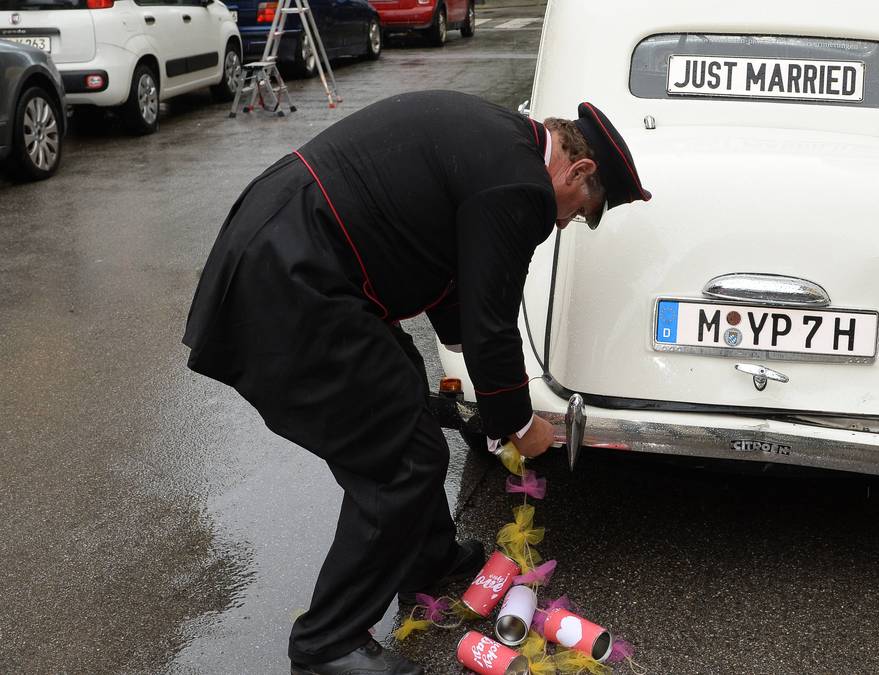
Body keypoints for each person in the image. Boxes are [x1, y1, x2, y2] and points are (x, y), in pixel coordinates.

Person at [182, 90, 651, 675]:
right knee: (402, 457)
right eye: (581, 208)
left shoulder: (503, 143)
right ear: (578, 169)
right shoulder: (522, 186)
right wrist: (519, 424)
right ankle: (328, 644)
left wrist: (462, 345)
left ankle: (427, 560)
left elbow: (456, 265)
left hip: (294, 248)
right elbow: (492, 322)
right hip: (291, 275)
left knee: (403, 387)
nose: (567, 222)